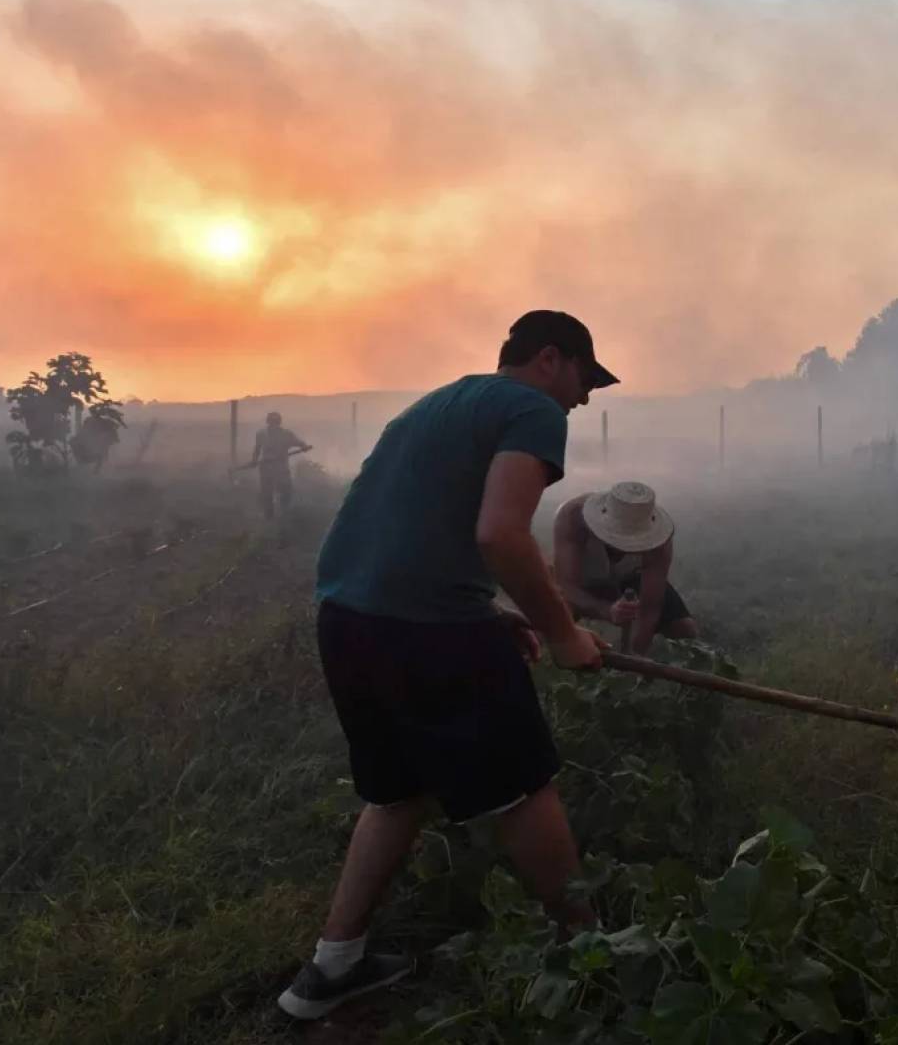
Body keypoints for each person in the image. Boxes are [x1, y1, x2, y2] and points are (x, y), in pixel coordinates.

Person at [277, 310, 619, 1021]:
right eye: (584, 380)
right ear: (551, 359)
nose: (584, 399)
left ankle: (331, 968)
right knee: (523, 784)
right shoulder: (529, 406)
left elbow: (409, 527)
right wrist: (562, 633)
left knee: (397, 792)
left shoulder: (436, 406)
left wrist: (487, 610)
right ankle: (595, 957)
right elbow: (500, 531)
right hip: (425, 633)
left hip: (349, 619)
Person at [554, 481, 698, 654]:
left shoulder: (660, 539)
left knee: (685, 630)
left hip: (629, 579)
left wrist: (633, 656)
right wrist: (607, 611)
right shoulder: (572, 516)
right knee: (548, 621)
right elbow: (567, 587)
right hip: (582, 579)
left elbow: (650, 607)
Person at [254, 412, 311, 518]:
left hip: (281, 467)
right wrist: (254, 461)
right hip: (266, 467)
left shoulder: (286, 434)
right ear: (268, 422)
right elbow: (257, 449)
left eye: (275, 422)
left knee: (286, 490)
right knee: (267, 493)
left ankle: (284, 512)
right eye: (272, 422)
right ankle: (269, 515)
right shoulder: (261, 434)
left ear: (279, 423)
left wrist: (304, 446)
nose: (273, 425)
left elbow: (298, 442)